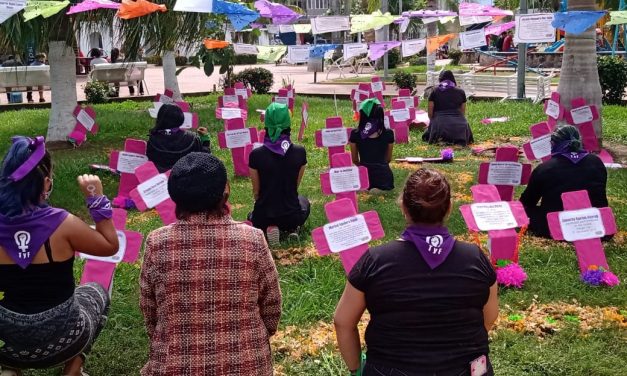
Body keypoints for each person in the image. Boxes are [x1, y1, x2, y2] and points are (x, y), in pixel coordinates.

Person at [334, 168, 498, 376]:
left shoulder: (375, 260)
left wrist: (356, 368)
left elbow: (343, 321)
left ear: (403, 206)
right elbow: (489, 317)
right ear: (449, 208)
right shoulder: (476, 258)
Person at [140, 153, 281, 376]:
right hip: (249, 365)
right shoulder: (253, 239)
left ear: (174, 195)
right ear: (226, 190)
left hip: (174, 365)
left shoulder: (157, 242)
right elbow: (271, 306)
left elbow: (150, 313)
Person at [0, 136, 118, 376]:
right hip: (65, 340)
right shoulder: (63, 224)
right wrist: (96, 199)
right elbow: (109, 245)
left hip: (8, 344)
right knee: (97, 292)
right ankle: (74, 366)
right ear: (46, 183)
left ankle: (10, 368)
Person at [520, 125, 609, 239]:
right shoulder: (597, 162)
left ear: (553, 144)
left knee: (524, 211)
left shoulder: (545, 168)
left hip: (556, 227)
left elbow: (527, 202)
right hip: (596, 226)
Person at [248, 102, 310, 244]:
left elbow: (256, 192)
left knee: (252, 215)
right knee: (304, 200)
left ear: (266, 122)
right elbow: (294, 186)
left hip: (263, 217)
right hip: (291, 214)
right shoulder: (300, 152)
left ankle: (270, 227)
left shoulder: (255, 155)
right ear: (288, 122)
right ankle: (293, 229)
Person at [146, 103, 211, 173]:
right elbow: (204, 159)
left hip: (160, 180)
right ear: (180, 117)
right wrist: (205, 141)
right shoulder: (192, 138)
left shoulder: (153, 140)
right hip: (186, 180)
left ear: (160, 118)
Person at [349, 98, 394, 191]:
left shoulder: (355, 134)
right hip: (384, 178)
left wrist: (365, 166)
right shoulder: (389, 133)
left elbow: (355, 160)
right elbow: (388, 159)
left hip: (364, 177)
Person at [423, 70, 473, 146]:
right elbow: (462, 113)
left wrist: (433, 124)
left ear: (440, 79)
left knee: (426, 135)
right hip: (460, 127)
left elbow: (430, 113)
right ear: (453, 79)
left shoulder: (434, 91)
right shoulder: (461, 92)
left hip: (440, 126)